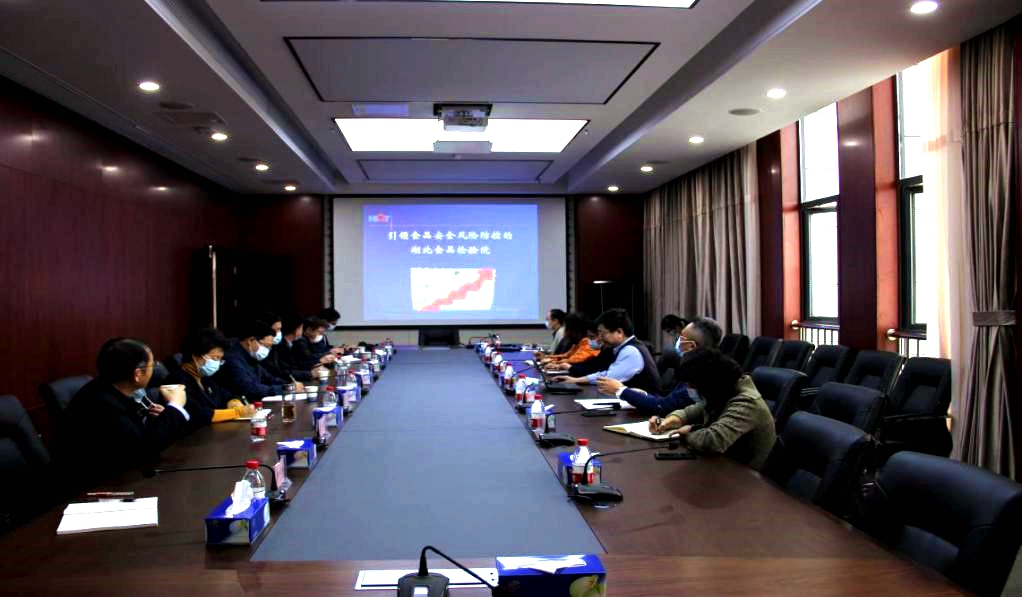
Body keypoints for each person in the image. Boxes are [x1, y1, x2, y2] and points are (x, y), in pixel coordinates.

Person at [54, 338, 191, 489]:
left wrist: (163, 417)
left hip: (118, 476)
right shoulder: (102, 404)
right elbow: (143, 450)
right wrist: (175, 406)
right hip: (91, 488)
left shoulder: (112, 389)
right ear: (138, 374)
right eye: (153, 364)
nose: (154, 368)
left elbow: (136, 437)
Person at [648, 348, 776, 471]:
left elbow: (712, 441)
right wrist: (672, 420)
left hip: (746, 477)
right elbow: (692, 411)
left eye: (692, 385)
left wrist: (688, 433)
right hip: (724, 465)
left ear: (708, 382)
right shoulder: (723, 392)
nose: (690, 389)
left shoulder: (746, 402)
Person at [600, 316, 725, 414]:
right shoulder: (696, 368)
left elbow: (662, 407)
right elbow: (669, 401)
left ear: (692, 346)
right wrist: (644, 395)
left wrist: (621, 390)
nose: (676, 342)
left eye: (681, 339)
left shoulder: (701, 376)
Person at [554, 308, 661, 394]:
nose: (599, 338)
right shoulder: (623, 348)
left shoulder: (630, 351)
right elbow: (606, 374)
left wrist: (575, 380)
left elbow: (608, 378)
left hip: (647, 408)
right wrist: (574, 380)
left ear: (619, 332)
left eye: (602, 333)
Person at [165, 328, 254, 428]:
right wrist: (237, 412)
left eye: (220, 359)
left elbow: (226, 395)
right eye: (216, 358)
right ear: (196, 356)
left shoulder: (204, 379)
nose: (218, 363)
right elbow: (199, 415)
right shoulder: (176, 382)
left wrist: (234, 402)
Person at [215, 320, 302, 400]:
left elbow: (268, 378)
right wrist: (284, 388)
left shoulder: (251, 357)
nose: (268, 350)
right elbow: (250, 389)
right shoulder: (232, 360)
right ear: (250, 341)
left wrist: (289, 384)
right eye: (266, 346)